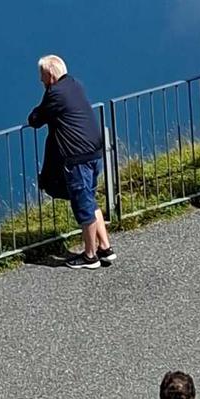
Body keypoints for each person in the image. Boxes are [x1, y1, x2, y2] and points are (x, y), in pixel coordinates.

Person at [28, 54, 114, 265]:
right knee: (90, 199)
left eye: (42, 76)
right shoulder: (75, 84)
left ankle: (90, 255)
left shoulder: (55, 94)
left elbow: (37, 119)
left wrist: (34, 116)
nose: (40, 80)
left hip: (76, 158)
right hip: (94, 152)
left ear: (49, 75)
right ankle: (105, 248)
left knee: (83, 206)